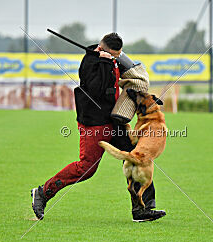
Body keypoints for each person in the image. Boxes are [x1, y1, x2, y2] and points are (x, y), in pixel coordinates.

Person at [31, 33, 166, 222]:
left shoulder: (114, 58)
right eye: (114, 56)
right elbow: (97, 91)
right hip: (93, 123)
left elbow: (133, 74)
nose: (116, 60)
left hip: (114, 120)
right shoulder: (89, 64)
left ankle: (142, 209)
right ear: (102, 50)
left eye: (118, 56)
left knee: (139, 157)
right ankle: (43, 192)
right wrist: (104, 63)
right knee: (86, 169)